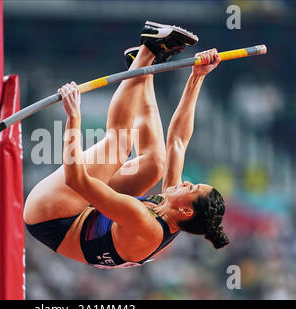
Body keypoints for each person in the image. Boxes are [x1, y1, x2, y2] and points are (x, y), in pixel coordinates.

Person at [24, 21, 228, 269]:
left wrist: (73, 117)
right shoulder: (173, 208)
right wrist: (197, 77)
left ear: (186, 211)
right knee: (156, 164)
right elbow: (177, 141)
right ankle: (143, 69)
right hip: (86, 212)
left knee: (118, 147)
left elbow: (75, 179)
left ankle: (148, 49)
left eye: (192, 187)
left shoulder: (144, 222)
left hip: (51, 218)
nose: (185, 182)